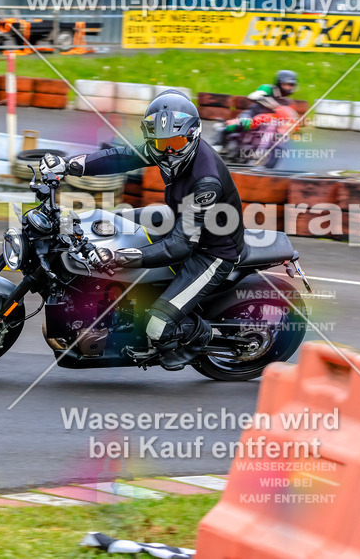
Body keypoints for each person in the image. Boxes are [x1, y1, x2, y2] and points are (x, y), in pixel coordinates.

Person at [38, 90, 244, 370]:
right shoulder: (163, 148)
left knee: (157, 326)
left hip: (211, 251)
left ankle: (197, 336)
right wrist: (72, 165)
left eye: (176, 141)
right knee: (105, 224)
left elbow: (181, 246)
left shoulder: (206, 181)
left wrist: (121, 257)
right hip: (179, 219)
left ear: (193, 135)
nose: (168, 150)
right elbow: (122, 157)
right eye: (161, 143)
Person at [213, 69, 298, 152]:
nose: (288, 87)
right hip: (253, 115)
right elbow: (254, 95)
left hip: (270, 123)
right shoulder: (268, 89)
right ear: (279, 83)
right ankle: (220, 137)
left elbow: (290, 116)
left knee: (281, 134)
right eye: (285, 84)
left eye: (290, 85)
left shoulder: (288, 102)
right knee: (245, 123)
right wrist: (266, 100)